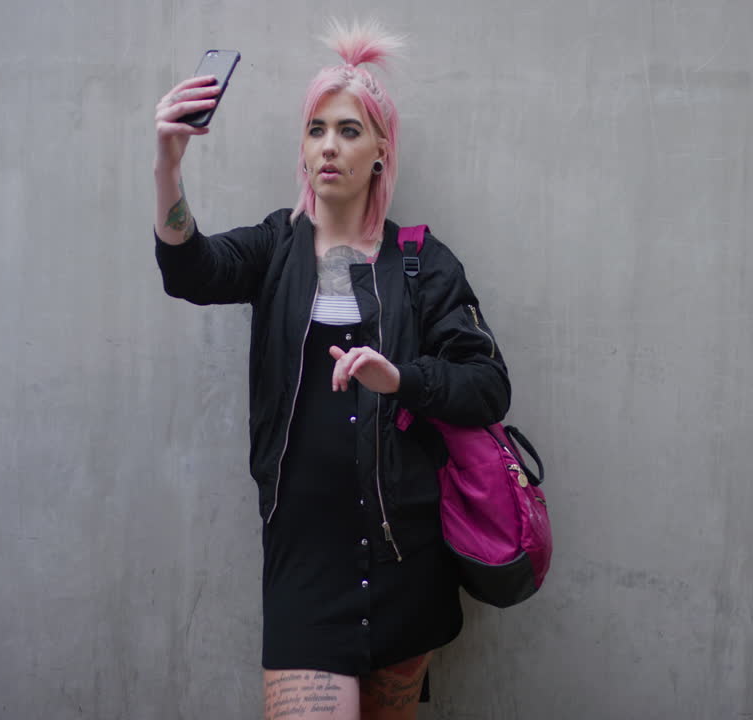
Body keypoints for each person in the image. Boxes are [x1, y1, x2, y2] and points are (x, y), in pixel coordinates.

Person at [151, 20, 510, 720]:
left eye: (349, 130)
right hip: (303, 562)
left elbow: (488, 386)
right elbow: (190, 271)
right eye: (316, 129)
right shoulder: (275, 249)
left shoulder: (421, 263)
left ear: (381, 151)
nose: (328, 145)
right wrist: (167, 166)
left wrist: (401, 376)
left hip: (405, 556)